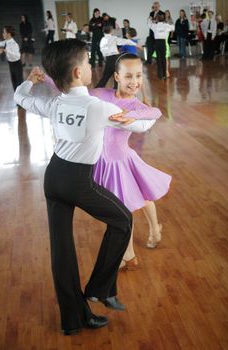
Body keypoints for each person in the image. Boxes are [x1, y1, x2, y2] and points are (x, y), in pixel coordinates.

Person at [14, 39, 157, 335]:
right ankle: (100, 288)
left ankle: (73, 318)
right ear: (79, 72)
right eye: (89, 63)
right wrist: (143, 115)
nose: (94, 67)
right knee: (122, 219)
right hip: (78, 181)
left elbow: (22, 98)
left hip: (53, 178)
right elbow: (141, 126)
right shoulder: (98, 107)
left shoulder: (55, 102)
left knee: (61, 250)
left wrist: (30, 82)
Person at [90, 54, 171, 269]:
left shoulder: (136, 104)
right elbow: (74, 93)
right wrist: (48, 78)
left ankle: (129, 254)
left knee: (126, 205)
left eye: (138, 75)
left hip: (122, 161)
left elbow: (157, 111)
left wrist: (133, 114)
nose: (134, 81)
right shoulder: (102, 95)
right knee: (138, 197)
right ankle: (154, 229)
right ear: (116, 76)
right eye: (128, 76)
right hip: (103, 163)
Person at [0, 26, 23, 92]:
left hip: (17, 65)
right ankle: (17, 100)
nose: (2, 34)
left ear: (9, 34)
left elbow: (17, 55)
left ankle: (21, 100)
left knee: (19, 83)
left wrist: (6, 51)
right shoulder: (5, 42)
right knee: (14, 83)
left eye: (4, 32)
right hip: (11, 65)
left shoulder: (14, 44)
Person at [148, 14, 174, 79]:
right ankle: (165, 75)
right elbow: (173, 27)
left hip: (157, 43)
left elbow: (148, 23)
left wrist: (150, 18)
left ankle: (160, 76)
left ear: (157, 19)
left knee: (159, 59)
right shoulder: (166, 25)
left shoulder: (154, 26)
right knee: (164, 59)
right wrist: (170, 21)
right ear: (164, 19)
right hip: (163, 43)